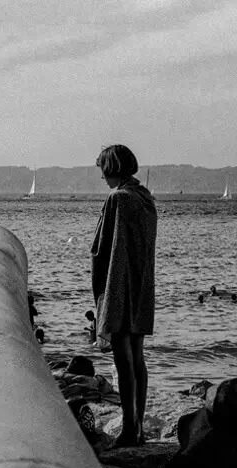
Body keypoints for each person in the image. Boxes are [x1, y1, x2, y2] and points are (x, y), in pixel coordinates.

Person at [91, 144, 157, 447]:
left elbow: (104, 248)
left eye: (104, 169)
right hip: (141, 284)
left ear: (111, 168)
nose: (103, 177)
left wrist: (103, 295)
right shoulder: (145, 198)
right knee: (137, 358)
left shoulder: (118, 199)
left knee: (122, 359)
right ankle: (138, 425)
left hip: (120, 286)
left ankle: (130, 430)